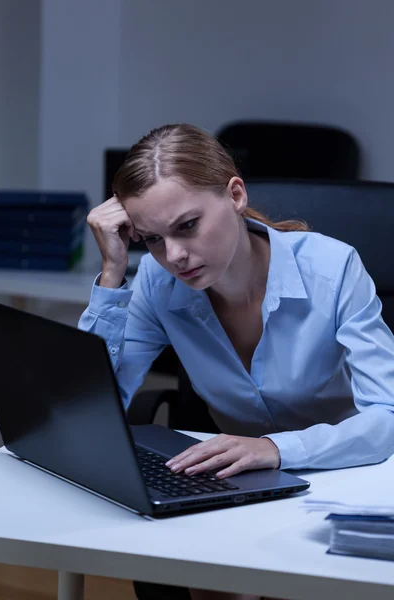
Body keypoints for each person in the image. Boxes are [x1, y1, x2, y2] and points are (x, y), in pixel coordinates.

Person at [79, 123, 394, 600]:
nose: (175, 256)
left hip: (339, 484)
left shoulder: (333, 268)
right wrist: (112, 273)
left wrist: (276, 448)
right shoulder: (155, 286)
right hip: (235, 492)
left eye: (187, 226)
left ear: (236, 194)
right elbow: (90, 409)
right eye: (152, 240)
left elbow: (387, 418)